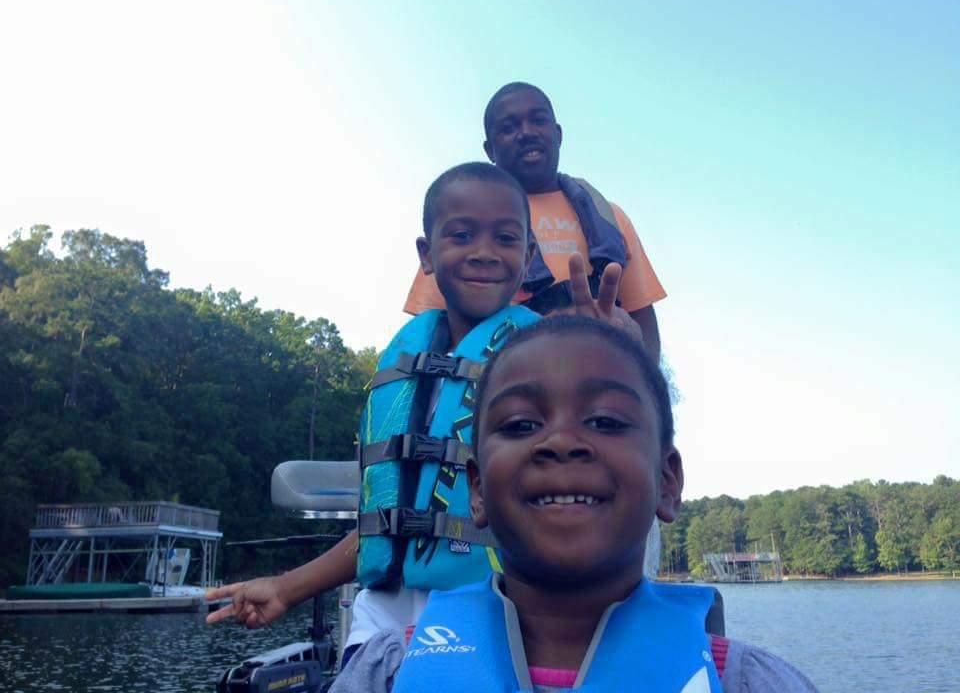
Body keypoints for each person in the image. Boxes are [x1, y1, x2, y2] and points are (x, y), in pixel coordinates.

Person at [205, 163, 641, 659]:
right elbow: (393, 521)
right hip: (379, 619)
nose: (483, 252)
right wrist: (287, 588)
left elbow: (614, 457)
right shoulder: (405, 356)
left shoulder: (547, 354)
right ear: (427, 255)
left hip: (499, 614)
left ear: (528, 257)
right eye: (461, 235)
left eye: (505, 237)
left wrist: (612, 356)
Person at [335, 317, 820, 693]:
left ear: (668, 482)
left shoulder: (748, 681)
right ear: (477, 490)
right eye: (522, 424)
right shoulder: (387, 675)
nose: (562, 441)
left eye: (606, 421)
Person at [404, 82, 666, 361]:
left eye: (538, 121)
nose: (526, 133)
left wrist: (645, 382)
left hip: (597, 376)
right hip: (498, 384)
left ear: (558, 134)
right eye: (508, 127)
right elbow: (428, 325)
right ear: (490, 150)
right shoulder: (463, 220)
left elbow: (642, 315)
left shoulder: (610, 217)